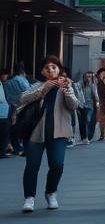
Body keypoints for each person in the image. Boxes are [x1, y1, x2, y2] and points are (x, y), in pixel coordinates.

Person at [17, 56, 79, 212]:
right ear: (42, 71)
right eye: (47, 68)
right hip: (35, 132)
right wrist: (43, 89)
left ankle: (51, 193)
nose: (51, 70)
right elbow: (22, 99)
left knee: (57, 164)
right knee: (32, 165)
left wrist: (67, 91)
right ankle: (29, 198)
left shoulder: (66, 86)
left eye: (54, 67)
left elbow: (74, 106)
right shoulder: (37, 85)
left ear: (59, 69)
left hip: (59, 132)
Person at [4, 65, 31, 156]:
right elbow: (28, 91)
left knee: (12, 127)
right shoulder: (20, 79)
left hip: (10, 105)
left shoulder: (6, 82)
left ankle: (14, 146)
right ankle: (20, 148)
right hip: (20, 105)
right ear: (22, 72)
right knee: (19, 127)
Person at [0, 70, 9, 158]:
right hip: (2, 113)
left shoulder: (2, 84)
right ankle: (2, 152)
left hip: (4, 113)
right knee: (3, 134)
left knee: (4, 134)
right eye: (5, 75)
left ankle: (2, 152)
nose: (6, 77)